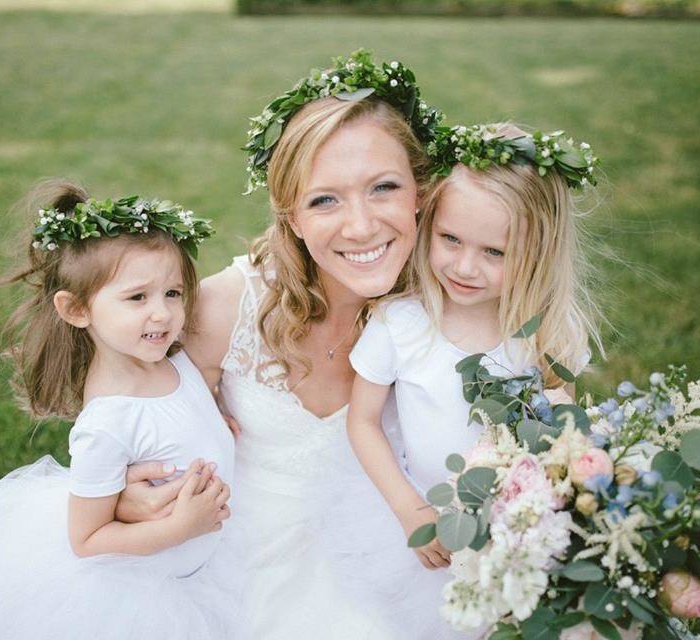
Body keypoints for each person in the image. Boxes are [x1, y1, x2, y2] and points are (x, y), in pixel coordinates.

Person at [114, 51, 461, 638]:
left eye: (384, 188)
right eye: (325, 199)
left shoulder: (455, 307)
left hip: (400, 546)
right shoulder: (229, 307)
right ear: (292, 218)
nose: (360, 226)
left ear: (420, 193)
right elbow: (136, 422)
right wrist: (129, 494)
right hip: (238, 556)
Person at [0, 182, 244, 640]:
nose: (162, 314)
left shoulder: (173, 359)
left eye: (173, 294)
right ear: (77, 310)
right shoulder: (108, 422)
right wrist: (179, 528)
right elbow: (88, 541)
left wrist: (209, 418)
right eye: (137, 298)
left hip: (203, 553)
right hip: (146, 584)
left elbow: (178, 415)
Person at [346, 122, 604, 617]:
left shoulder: (547, 330)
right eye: (451, 239)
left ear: (536, 255)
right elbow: (363, 421)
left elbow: (562, 411)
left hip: (513, 527)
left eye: (494, 253)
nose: (465, 267)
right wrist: (410, 510)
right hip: (425, 517)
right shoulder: (402, 323)